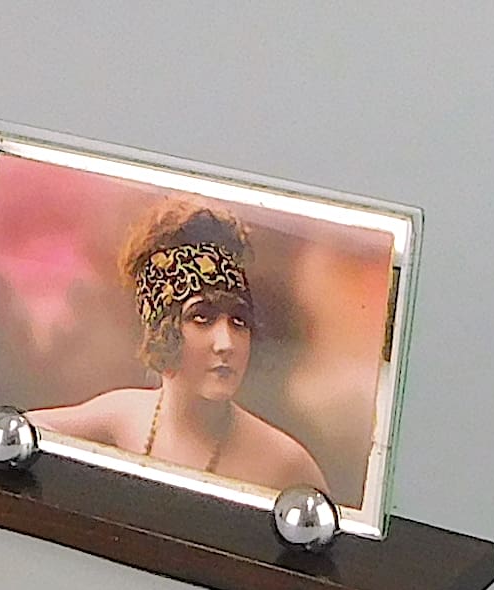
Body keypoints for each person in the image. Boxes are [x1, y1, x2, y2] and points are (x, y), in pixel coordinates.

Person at [27, 199, 329, 493]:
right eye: (201, 318)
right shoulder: (122, 417)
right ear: (163, 330)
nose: (226, 344)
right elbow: (24, 429)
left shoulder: (285, 464)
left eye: (239, 321)